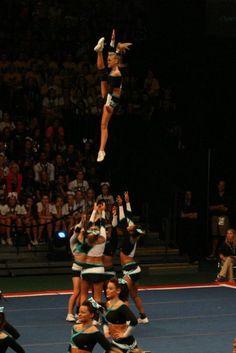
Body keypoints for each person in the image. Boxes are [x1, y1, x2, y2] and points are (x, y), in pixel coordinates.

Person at [94, 29, 132, 162]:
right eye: (108, 59)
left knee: (103, 126)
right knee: (103, 126)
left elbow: (114, 95)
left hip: (111, 101)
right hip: (109, 99)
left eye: (110, 59)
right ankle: (101, 150)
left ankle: (101, 150)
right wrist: (113, 42)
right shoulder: (114, 66)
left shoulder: (116, 75)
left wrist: (110, 105)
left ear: (116, 61)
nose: (108, 60)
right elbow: (112, 53)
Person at [116, 192, 149, 324]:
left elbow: (127, 222)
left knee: (123, 295)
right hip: (134, 269)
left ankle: (128, 320)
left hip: (130, 270)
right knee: (134, 295)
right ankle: (143, 317)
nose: (123, 228)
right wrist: (125, 203)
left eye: (128, 227)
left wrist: (121, 206)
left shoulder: (130, 238)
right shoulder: (129, 235)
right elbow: (126, 218)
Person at [102, 277, 144, 353]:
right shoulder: (108, 304)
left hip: (125, 343)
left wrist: (125, 334)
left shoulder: (122, 306)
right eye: (107, 288)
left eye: (110, 288)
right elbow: (104, 317)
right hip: (116, 341)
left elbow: (134, 321)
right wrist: (105, 330)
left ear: (118, 290)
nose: (107, 290)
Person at [66, 213, 88, 322]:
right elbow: (78, 229)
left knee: (83, 293)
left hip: (85, 269)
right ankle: (69, 313)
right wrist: (81, 222)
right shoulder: (73, 241)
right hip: (77, 268)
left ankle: (78, 312)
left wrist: (84, 221)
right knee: (76, 291)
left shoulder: (84, 241)